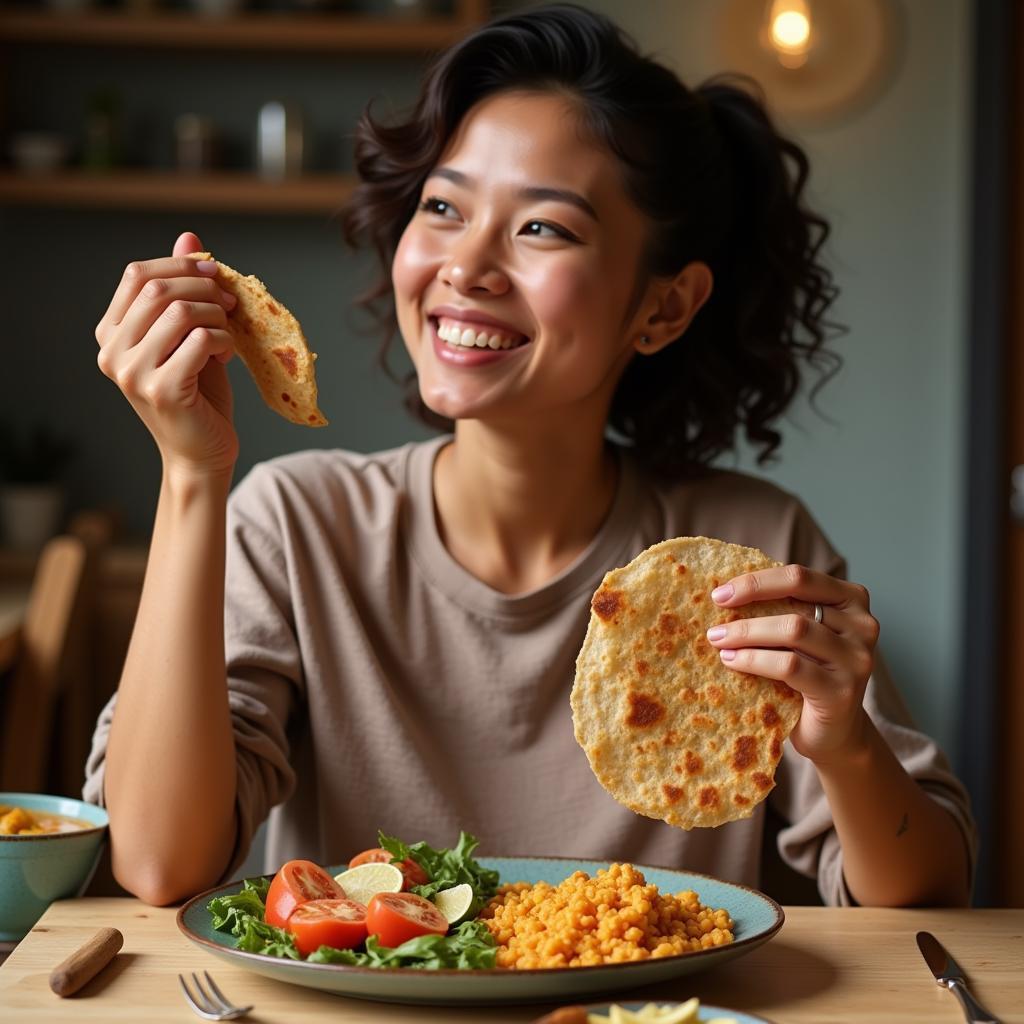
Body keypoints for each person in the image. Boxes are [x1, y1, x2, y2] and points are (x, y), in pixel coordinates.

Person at [86, 3, 974, 908]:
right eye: (443, 207)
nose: (466, 265)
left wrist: (848, 748)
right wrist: (193, 477)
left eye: (542, 227)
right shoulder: (298, 524)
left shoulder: (751, 545)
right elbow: (161, 864)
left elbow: (930, 897)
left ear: (664, 307)